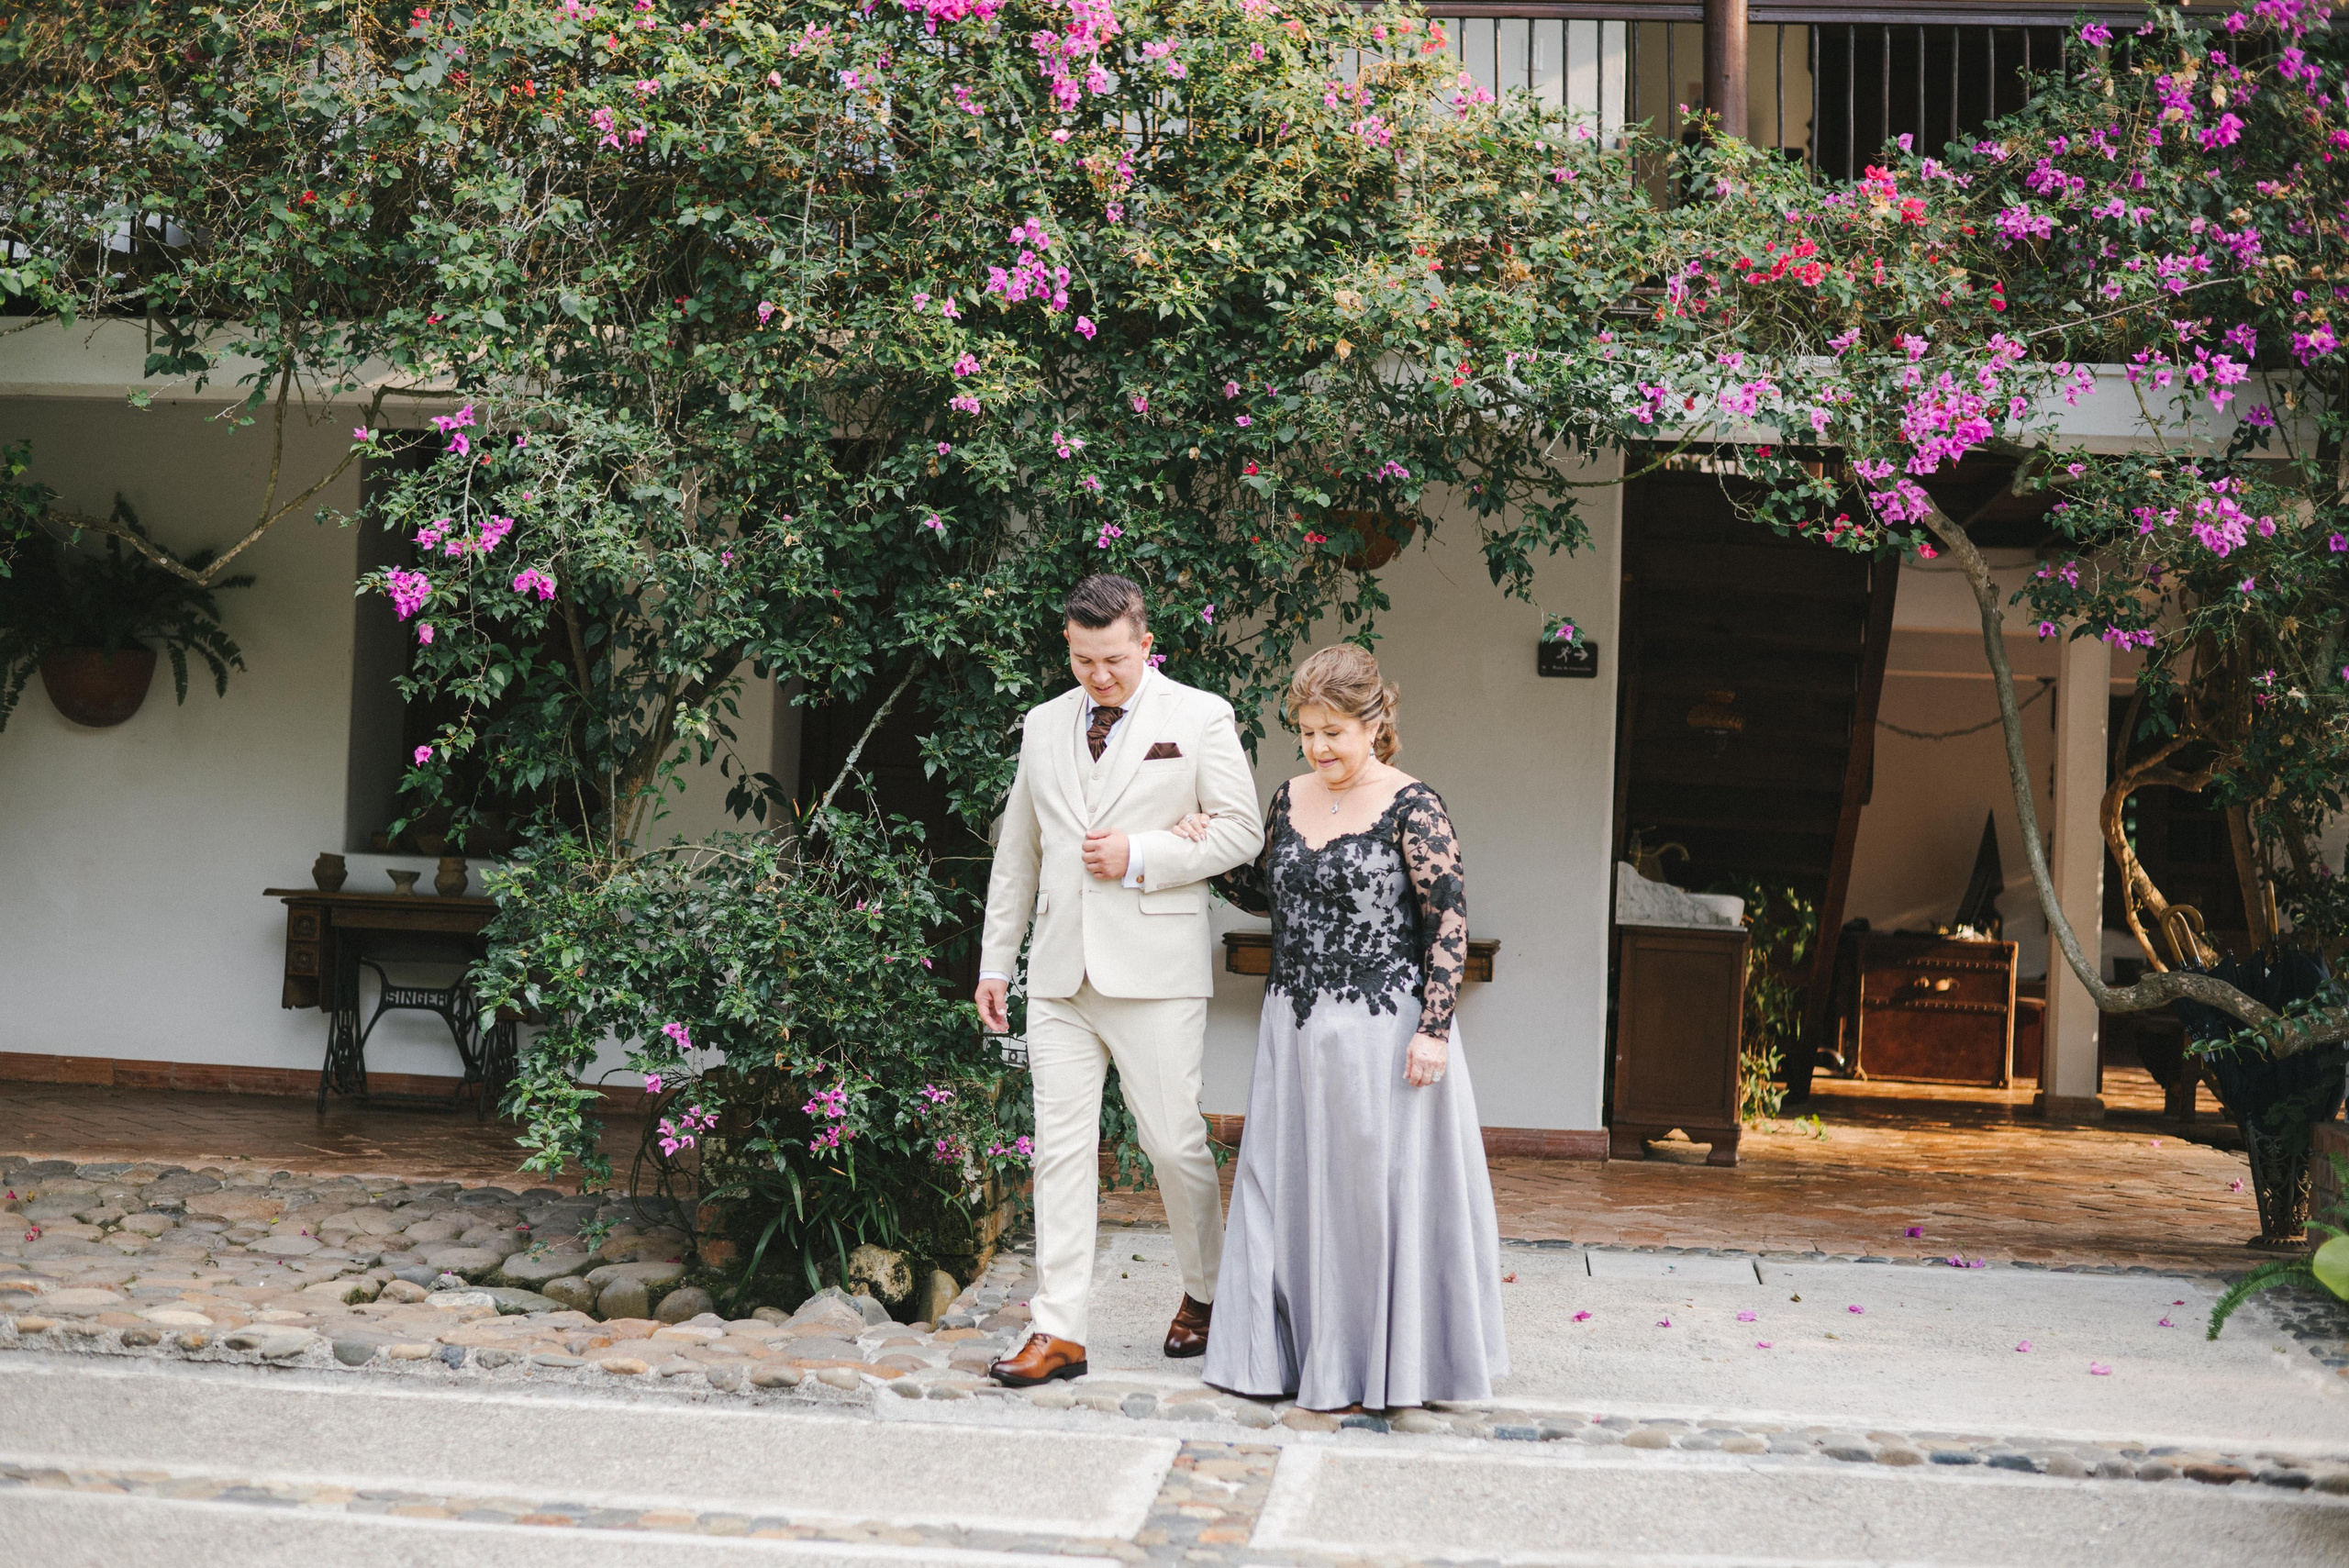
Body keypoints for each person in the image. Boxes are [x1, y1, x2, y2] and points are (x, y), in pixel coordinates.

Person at [1180, 643, 1508, 1411]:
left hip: (1382, 1033)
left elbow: (1448, 920)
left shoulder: (1414, 804)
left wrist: (1433, 1028)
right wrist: (1207, 848)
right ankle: (1285, 1357)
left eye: (1334, 730)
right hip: (1293, 1030)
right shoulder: (1289, 797)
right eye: (1308, 731)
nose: (1320, 747)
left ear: (1374, 722)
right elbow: (1271, 892)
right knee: (1280, 1186)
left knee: (1371, 1198)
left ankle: (1376, 1363)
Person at [974, 573, 1265, 1387]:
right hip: (1060, 975)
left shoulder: (1200, 716)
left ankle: (1208, 1290)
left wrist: (1142, 854)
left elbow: (1242, 831)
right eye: (1081, 659)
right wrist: (999, 961)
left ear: (1145, 643)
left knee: (1171, 1142)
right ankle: (1058, 1329)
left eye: (1112, 659)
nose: (1097, 676)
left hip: (1156, 972)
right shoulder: (1041, 725)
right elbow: (1019, 855)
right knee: (1060, 1154)